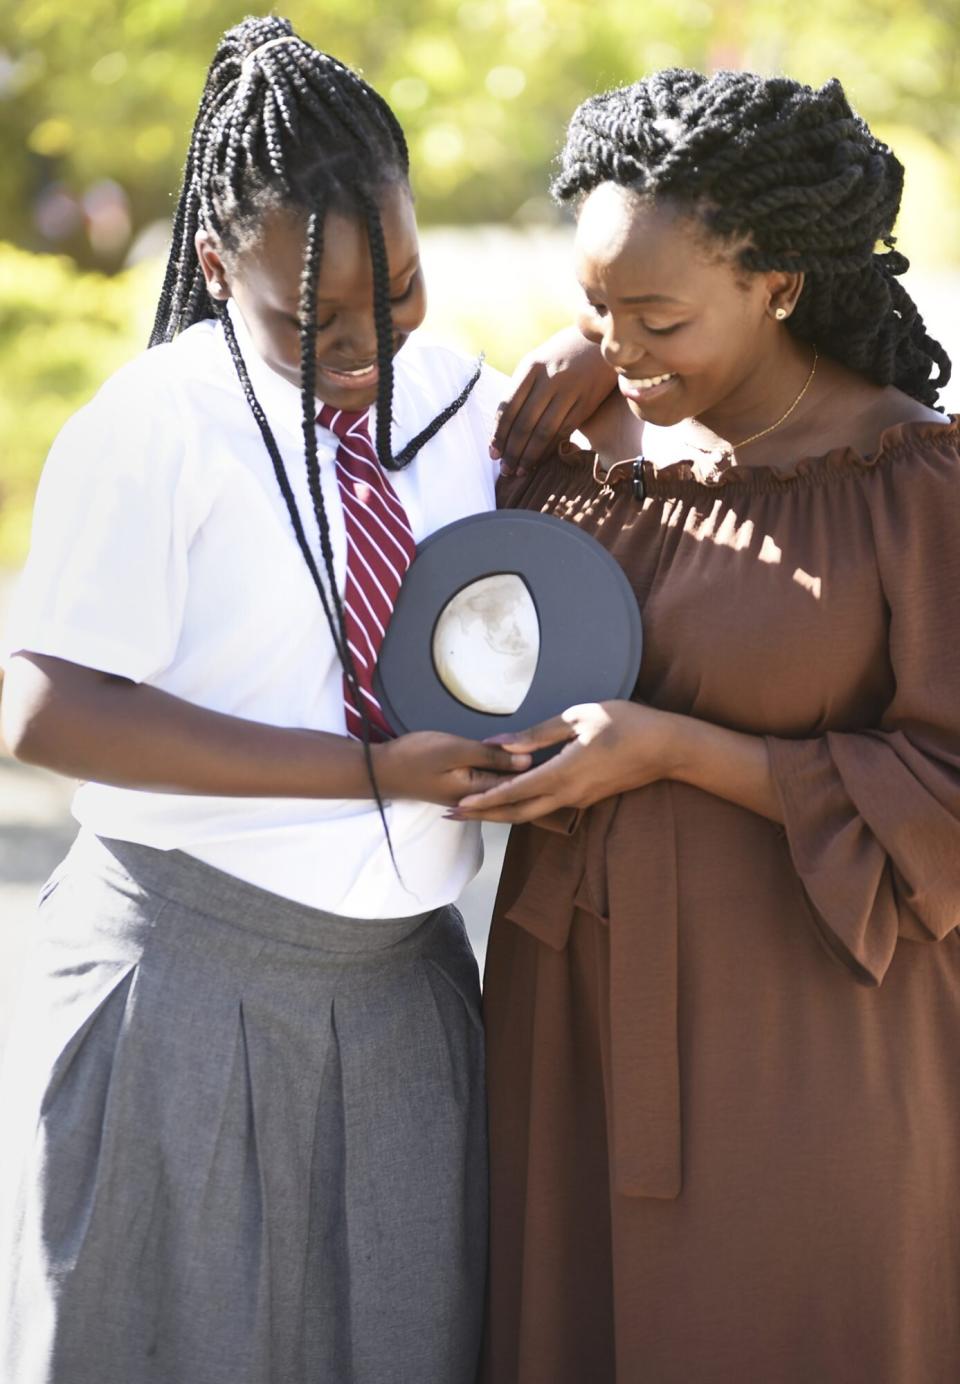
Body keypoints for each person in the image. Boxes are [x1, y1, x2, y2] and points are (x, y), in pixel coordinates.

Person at [0, 17, 611, 1383]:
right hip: (184, 997)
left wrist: (595, 381)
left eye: (397, 292)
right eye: (313, 321)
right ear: (217, 268)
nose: (369, 348)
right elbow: (41, 713)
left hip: (401, 999)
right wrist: (371, 778)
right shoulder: (157, 427)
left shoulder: (458, 401)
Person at [454, 70, 960, 1384]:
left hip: (802, 1041)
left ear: (776, 283)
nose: (620, 342)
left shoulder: (910, 486)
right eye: (595, 305)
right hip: (567, 1017)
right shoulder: (568, 440)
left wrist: (678, 751)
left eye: (658, 313)